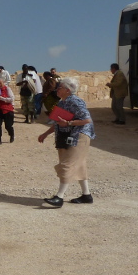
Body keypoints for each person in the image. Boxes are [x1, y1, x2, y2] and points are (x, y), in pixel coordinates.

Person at [38, 77, 96, 207]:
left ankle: (59, 197)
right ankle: (86, 195)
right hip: (67, 136)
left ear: (68, 90)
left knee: (67, 164)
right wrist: (46, 134)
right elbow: (57, 122)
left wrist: (69, 123)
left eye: (60, 87)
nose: (57, 89)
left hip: (79, 136)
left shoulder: (75, 101)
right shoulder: (61, 102)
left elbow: (87, 120)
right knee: (79, 164)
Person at [0, 77, 15, 145]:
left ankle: (11, 134)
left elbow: (12, 99)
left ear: (3, 82)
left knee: (8, 125)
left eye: (0, 83)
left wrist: (2, 98)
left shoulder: (7, 89)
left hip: (7, 109)